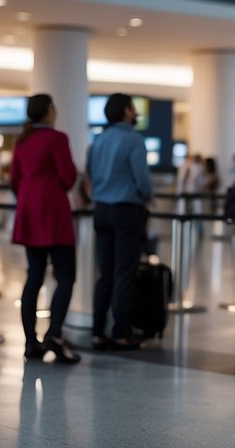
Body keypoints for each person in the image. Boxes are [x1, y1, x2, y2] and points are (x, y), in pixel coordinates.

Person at [9, 94, 80, 364]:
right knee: (65, 274)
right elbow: (68, 177)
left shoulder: (22, 141)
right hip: (54, 212)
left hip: (28, 210)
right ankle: (54, 334)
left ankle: (30, 342)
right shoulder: (57, 138)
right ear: (50, 110)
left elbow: (14, 179)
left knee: (34, 276)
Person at [87, 92, 153, 351]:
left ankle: (97, 332)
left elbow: (91, 173)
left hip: (101, 209)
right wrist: (147, 196)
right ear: (127, 111)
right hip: (126, 211)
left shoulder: (98, 140)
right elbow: (143, 180)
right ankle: (121, 333)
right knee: (124, 273)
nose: (136, 113)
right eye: (133, 109)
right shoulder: (134, 140)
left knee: (105, 273)